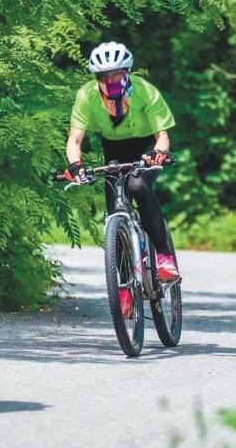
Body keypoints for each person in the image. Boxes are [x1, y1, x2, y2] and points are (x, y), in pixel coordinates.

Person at [64, 41, 179, 314]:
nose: (110, 80)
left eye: (116, 74)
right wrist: (75, 164)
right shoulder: (87, 96)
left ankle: (163, 256)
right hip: (112, 151)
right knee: (114, 214)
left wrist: (159, 153)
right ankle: (125, 287)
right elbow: (74, 139)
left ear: (127, 72)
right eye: (103, 76)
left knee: (137, 184)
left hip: (144, 149)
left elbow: (162, 136)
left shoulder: (145, 92)